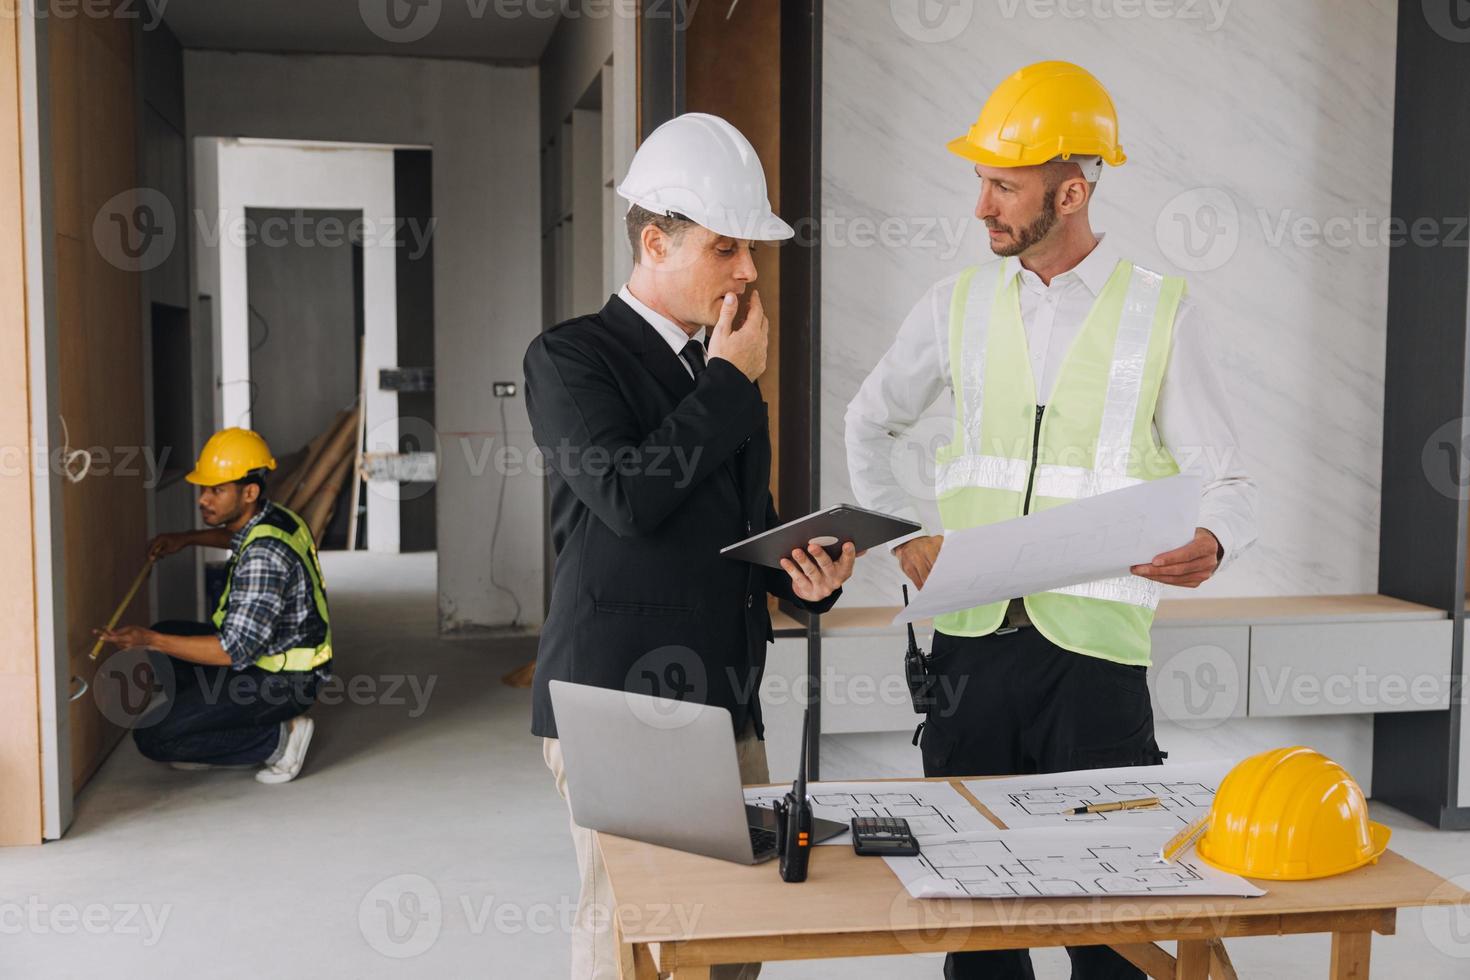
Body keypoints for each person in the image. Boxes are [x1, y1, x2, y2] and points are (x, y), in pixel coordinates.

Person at [844, 61, 1258, 979]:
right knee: (977, 917)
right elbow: (867, 420)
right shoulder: (954, 305)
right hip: (969, 648)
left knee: (1109, 917)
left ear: (1071, 192)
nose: (982, 205)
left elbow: (1226, 476)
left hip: (1095, 663)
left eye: (1005, 185)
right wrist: (903, 532)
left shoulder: (1161, 313)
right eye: (981, 181)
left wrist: (1215, 540)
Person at [524, 112, 858, 980]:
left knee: (736, 933)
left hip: (725, 696)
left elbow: (748, 531)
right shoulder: (571, 359)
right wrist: (726, 380)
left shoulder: (726, 373)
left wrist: (806, 580)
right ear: (655, 242)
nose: (749, 270)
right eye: (725, 249)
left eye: (750, 250)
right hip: (614, 697)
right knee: (634, 931)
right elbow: (629, 497)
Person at [96, 427, 331, 785]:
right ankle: (205, 732)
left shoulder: (264, 557)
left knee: (154, 737)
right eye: (204, 489)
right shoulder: (274, 517)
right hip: (274, 659)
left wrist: (147, 640)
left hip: (283, 681)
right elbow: (236, 535)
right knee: (167, 637)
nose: (204, 499)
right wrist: (186, 539)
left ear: (248, 491)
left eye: (216, 490)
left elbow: (232, 650)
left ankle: (278, 740)